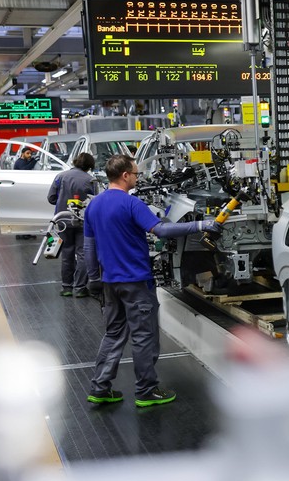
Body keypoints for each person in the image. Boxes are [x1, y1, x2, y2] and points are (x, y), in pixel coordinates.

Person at [83, 154, 221, 407]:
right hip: (136, 281)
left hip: (110, 282)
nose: (138, 178)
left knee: (113, 334)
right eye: (135, 174)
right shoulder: (132, 204)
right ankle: (146, 391)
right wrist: (202, 224)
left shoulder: (94, 205)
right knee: (144, 336)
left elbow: (89, 247)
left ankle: (100, 388)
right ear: (125, 175)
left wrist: (94, 279)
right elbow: (162, 230)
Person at [47, 152, 98, 298]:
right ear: (89, 166)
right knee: (83, 254)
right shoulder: (91, 180)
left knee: (67, 253)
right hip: (83, 223)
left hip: (63, 221)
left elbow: (51, 198)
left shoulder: (60, 177)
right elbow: (95, 202)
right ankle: (80, 288)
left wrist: (62, 200)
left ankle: (67, 287)